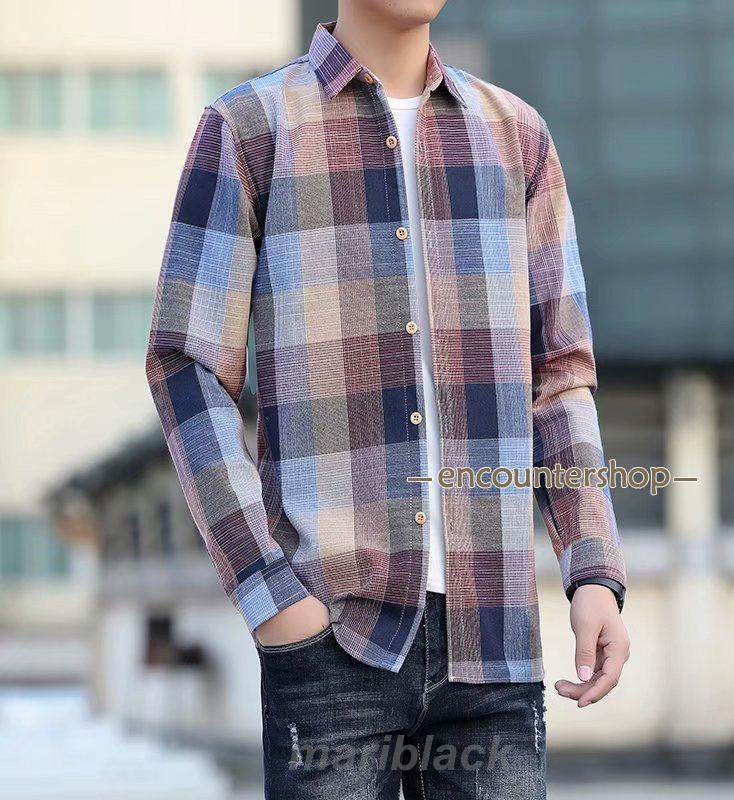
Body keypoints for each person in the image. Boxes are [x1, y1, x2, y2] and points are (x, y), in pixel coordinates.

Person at [145, 2, 630, 797]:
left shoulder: (517, 136)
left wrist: (593, 571)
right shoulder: (249, 129)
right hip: (331, 642)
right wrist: (271, 595)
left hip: (494, 646)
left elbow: (560, 375)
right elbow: (184, 364)